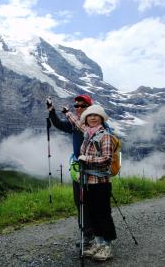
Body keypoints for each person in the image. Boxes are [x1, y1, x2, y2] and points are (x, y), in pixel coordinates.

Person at [65, 104, 117, 261]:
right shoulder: (87, 133)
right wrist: (66, 112)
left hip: (101, 183)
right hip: (88, 182)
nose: (93, 117)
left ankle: (107, 246)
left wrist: (87, 159)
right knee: (92, 213)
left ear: (101, 119)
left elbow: (107, 159)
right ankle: (98, 242)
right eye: (90, 115)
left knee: (103, 214)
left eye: (96, 115)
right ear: (86, 119)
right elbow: (76, 122)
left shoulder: (105, 135)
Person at [46, 94, 94, 246]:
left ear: (89, 108)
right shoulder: (74, 124)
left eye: (82, 106)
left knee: (92, 201)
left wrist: (68, 113)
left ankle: (96, 233)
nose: (78, 108)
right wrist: (51, 111)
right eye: (77, 106)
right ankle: (86, 234)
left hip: (93, 168)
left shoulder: (93, 123)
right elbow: (59, 125)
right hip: (78, 168)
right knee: (79, 201)